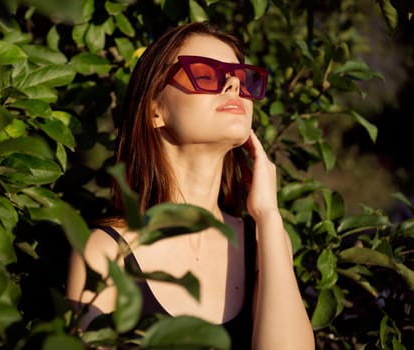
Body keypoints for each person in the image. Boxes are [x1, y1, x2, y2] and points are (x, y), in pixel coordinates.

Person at [67, 22, 315, 350]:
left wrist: (269, 215)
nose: (232, 85)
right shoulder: (104, 252)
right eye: (205, 73)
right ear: (155, 109)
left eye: (242, 77)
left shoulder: (264, 240)